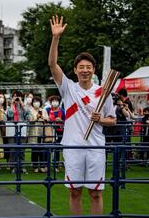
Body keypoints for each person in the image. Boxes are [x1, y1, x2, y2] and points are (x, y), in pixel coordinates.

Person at [49, 15, 116, 215]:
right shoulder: (68, 88)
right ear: (75, 70)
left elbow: (112, 120)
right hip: (73, 147)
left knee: (96, 194)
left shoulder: (103, 92)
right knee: (74, 192)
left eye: (88, 67)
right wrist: (56, 38)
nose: (85, 70)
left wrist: (100, 119)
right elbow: (53, 64)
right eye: (81, 67)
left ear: (93, 70)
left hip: (95, 147)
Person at [7, 90, 29, 173]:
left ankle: (22, 165)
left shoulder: (23, 106)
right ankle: (13, 166)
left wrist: (21, 103)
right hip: (12, 128)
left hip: (22, 127)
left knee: (22, 148)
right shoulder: (10, 106)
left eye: (18, 96)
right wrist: (12, 104)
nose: (16, 98)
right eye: (15, 96)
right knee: (13, 148)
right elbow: (9, 114)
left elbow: (27, 113)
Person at [43, 95, 66, 172]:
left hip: (59, 131)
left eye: (56, 101)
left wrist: (61, 121)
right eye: (53, 101)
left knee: (57, 149)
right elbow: (44, 118)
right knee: (47, 148)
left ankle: (55, 165)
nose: (55, 102)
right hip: (49, 131)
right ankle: (46, 165)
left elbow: (65, 121)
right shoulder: (47, 109)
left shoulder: (62, 111)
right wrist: (49, 119)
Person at [28, 96, 46, 173]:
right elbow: (29, 121)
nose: (36, 103)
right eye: (35, 101)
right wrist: (36, 118)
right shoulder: (30, 110)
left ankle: (42, 166)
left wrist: (43, 117)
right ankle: (35, 166)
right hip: (33, 132)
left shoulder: (43, 110)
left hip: (42, 132)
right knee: (34, 150)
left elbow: (47, 119)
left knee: (42, 150)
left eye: (38, 101)